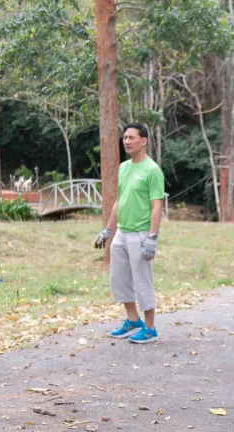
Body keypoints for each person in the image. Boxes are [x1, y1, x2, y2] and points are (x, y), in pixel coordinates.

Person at [94, 123, 165, 344]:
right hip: (122, 233)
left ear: (143, 140)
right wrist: (108, 229)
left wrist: (152, 239)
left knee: (142, 279)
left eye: (131, 137)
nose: (126, 141)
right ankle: (133, 321)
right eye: (124, 137)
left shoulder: (152, 170)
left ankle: (150, 328)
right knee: (119, 278)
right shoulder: (124, 167)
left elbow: (157, 206)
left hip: (142, 233)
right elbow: (120, 201)